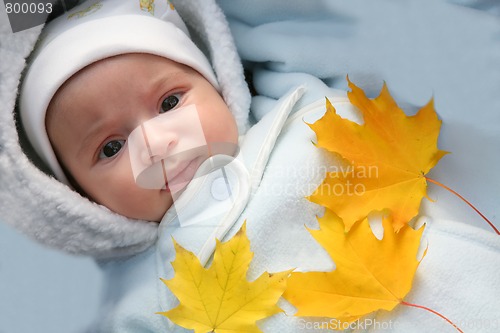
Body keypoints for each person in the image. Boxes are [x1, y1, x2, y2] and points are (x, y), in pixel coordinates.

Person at [12, 0, 500, 332]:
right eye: (111, 148)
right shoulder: (147, 295)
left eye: (169, 103)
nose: (157, 144)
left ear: (220, 84)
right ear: (80, 199)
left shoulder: (303, 112)